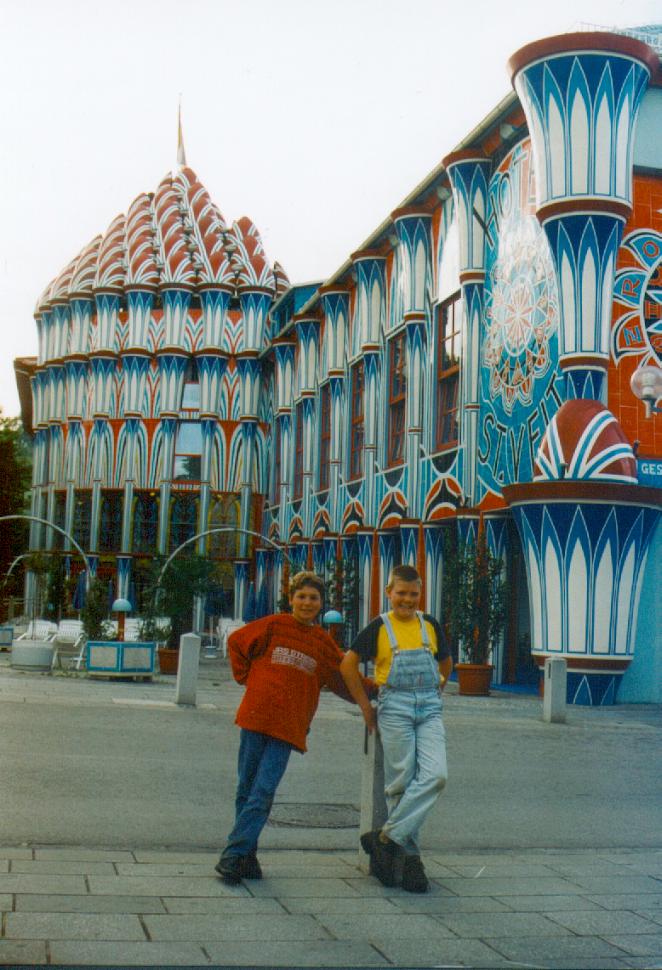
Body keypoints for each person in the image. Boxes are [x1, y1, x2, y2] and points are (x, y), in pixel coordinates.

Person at [216, 570, 375, 885]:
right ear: (291, 599)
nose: (306, 602)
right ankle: (246, 855)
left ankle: (233, 855)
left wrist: (375, 690)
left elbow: (343, 678)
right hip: (256, 716)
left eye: (313, 598)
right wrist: (247, 677)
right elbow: (236, 642)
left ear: (320, 603)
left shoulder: (322, 642)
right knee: (246, 788)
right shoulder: (273, 625)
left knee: (263, 790)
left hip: (288, 726)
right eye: (301, 596)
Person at [340, 564, 452, 893]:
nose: (407, 599)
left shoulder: (429, 625)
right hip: (395, 707)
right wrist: (365, 706)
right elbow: (347, 664)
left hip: (429, 708)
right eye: (400, 593)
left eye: (413, 594)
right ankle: (411, 861)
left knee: (436, 775)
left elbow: (445, 662)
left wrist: (437, 689)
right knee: (400, 783)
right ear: (389, 593)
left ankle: (385, 838)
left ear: (420, 594)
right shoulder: (379, 626)